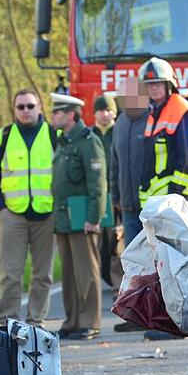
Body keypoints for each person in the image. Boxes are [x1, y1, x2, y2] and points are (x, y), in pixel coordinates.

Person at [0, 89, 57, 328]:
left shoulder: (53, 134)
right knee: (10, 274)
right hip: (13, 215)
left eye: (30, 106)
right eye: (21, 107)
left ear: (39, 107)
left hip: (46, 214)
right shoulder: (4, 135)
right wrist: (1, 207)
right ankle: (8, 321)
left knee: (43, 275)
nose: (26, 111)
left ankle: (36, 321)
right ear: (14, 110)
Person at [50, 93, 107, 341]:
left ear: (70, 115)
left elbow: (98, 183)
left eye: (57, 113)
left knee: (86, 272)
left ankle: (89, 322)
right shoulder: (64, 142)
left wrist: (94, 217)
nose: (53, 117)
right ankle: (72, 320)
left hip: (82, 217)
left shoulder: (88, 141)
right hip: (64, 217)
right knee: (70, 274)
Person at [138, 57, 188, 207]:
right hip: (157, 199)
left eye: (158, 83)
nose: (153, 88)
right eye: (149, 84)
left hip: (175, 198)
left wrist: (176, 192)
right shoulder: (154, 113)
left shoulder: (182, 110)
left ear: (169, 84)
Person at [113, 74, 150, 247]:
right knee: (132, 261)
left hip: (150, 207)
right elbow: (114, 164)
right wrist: (116, 197)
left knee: (155, 262)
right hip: (128, 207)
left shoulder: (153, 120)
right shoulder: (120, 123)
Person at [93, 93, 122, 290]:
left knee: (116, 244)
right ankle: (96, 280)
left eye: (110, 110)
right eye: (101, 110)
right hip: (95, 197)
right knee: (97, 243)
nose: (105, 115)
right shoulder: (89, 135)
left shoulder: (119, 133)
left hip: (114, 197)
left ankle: (118, 284)